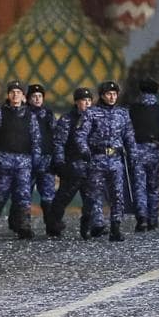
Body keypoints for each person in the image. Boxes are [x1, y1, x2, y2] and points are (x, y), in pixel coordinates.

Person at [75, 80, 137, 242]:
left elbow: (129, 137)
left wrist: (133, 155)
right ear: (102, 95)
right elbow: (81, 135)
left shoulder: (122, 114)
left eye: (114, 94)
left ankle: (115, 228)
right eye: (109, 94)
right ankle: (86, 222)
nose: (112, 97)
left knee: (117, 195)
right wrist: (84, 151)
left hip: (116, 159)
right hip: (97, 159)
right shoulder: (91, 113)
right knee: (93, 195)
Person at [0, 80, 41, 239]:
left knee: (23, 195)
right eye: (12, 92)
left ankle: (23, 227)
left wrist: (36, 160)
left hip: (24, 162)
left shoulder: (30, 116)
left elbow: (36, 140)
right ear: (8, 95)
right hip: (3, 160)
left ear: (23, 97)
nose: (15, 95)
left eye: (18, 92)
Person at [46, 87, 95, 239]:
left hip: (91, 165)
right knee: (62, 198)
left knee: (91, 199)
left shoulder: (95, 118)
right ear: (76, 102)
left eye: (89, 100)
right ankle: (53, 226)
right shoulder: (67, 119)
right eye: (83, 101)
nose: (86, 104)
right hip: (73, 165)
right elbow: (59, 142)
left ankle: (86, 227)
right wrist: (60, 162)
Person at [130, 77, 159, 232]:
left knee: (139, 186)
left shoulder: (132, 109)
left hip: (136, 152)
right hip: (155, 152)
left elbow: (126, 133)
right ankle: (152, 220)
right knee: (154, 187)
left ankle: (142, 218)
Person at [25, 83, 57, 232]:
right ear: (28, 98)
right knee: (25, 194)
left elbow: (55, 136)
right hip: (27, 160)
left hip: (46, 159)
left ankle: (51, 224)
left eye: (39, 96)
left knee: (48, 195)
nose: (37, 99)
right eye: (34, 97)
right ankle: (23, 226)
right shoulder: (23, 114)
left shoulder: (48, 114)